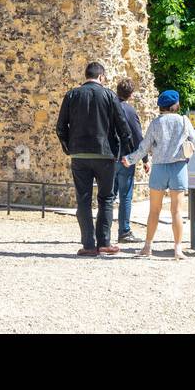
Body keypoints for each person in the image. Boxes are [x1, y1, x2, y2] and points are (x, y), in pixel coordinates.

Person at [56, 61, 134, 257]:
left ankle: (88, 245)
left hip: (79, 155)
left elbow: (60, 127)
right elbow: (122, 126)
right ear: (101, 77)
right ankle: (104, 242)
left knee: (83, 199)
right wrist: (126, 152)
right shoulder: (109, 95)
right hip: (105, 154)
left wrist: (68, 148)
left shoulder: (72, 94)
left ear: (86, 75)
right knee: (106, 198)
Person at [121, 89, 195, 260]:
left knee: (154, 210)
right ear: (176, 104)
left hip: (159, 168)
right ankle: (178, 249)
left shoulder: (156, 123)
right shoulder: (184, 121)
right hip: (178, 168)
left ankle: (148, 247)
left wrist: (129, 159)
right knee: (176, 211)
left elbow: (144, 147)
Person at [112, 78, 146, 243]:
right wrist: (145, 158)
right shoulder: (130, 111)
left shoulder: (108, 108)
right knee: (125, 196)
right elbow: (138, 137)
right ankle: (124, 232)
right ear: (131, 94)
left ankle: (102, 231)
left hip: (109, 158)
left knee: (107, 196)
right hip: (125, 157)